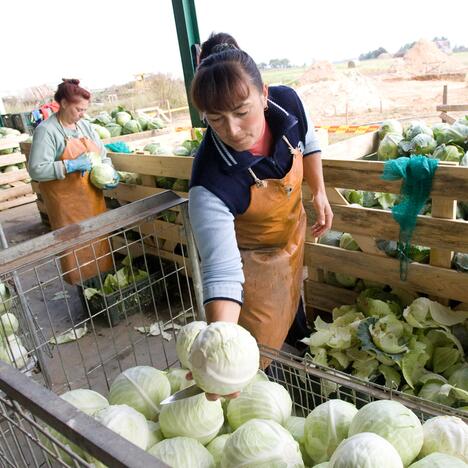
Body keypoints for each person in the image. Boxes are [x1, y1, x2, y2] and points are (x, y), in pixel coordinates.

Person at [188, 34, 333, 384]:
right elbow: (221, 273)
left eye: (242, 112)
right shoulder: (210, 182)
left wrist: (319, 192)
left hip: (292, 234)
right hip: (253, 264)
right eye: (215, 119)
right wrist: (219, 356)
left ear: (264, 94)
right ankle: (270, 382)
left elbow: (309, 142)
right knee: (258, 347)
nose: (233, 130)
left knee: (294, 302)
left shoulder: (288, 102)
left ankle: (297, 345)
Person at [28, 79, 119, 284]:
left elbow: (102, 155)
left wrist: (110, 171)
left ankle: (103, 287)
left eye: (85, 109)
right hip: (66, 207)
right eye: (79, 109)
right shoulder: (47, 131)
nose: (82, 114)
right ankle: (83, 291)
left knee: (100, 245)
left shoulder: (85, 126)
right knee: (75, 252)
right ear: (64, 103)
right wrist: (69, 166)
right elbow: (36, 169)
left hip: (93, 201)